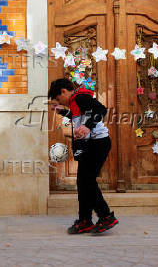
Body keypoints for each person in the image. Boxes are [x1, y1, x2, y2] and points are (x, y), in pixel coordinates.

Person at [48, 78, 119, 234]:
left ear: (64, 91)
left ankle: (105, 216)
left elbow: (101, 109)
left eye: (59, 99)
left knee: (87, 181)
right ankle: (85, 220)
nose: (62, 101)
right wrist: (61, 111)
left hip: (98, 144)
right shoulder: (75, 102)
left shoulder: (80, 97)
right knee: (83, 182)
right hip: (91, 145)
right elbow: (77, 115)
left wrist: (87, 127)